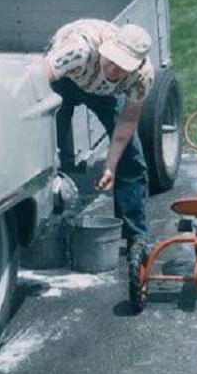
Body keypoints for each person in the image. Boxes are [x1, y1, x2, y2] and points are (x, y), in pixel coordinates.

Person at [43, 19, 154, 246]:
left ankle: (136, 238)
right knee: (48, 150)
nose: (113, 69)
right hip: (64, 79)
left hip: (102, 93)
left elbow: (128, 122)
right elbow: (36, 82)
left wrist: (110, 165)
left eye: (122, 66)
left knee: (131, 159)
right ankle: (45, 226)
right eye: (111, 60)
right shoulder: (78, 50)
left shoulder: (142, 77)